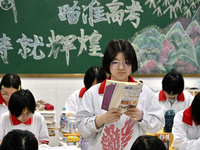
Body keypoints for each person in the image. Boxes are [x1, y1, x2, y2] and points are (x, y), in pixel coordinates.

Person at [76, 39, 165, 150]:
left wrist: (141, 116)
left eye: (127, 62)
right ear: (108, 64)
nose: (121, 68)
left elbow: (158, 125)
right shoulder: (93, 93)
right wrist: (101, 119)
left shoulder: (145, 92)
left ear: (133, 64)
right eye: (115, 62)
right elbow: (81, 129)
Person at [65, 66, 107, 150]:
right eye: (91, 87)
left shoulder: (108, 96)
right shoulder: (76, 96)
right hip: (79, 139)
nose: (94, 90)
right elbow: (68, 119)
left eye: (97, 86)